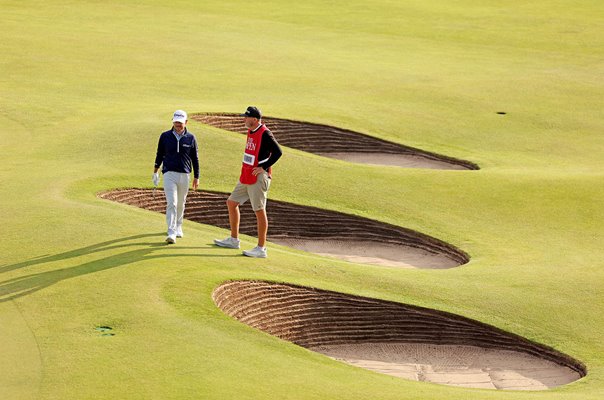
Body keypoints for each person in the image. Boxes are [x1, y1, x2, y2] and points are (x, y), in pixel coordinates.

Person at [214, 106, 282, 258]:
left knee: (259, 210)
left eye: (247, 117)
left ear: (255, 119)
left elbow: (278, 152)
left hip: (258, 177)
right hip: (246, 175)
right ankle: (233, 240)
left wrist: (263, 167)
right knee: (231, 203)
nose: (244, 118)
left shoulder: (265, 133)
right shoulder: (251, 131)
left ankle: (261, 248)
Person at [153, 110, 200, 244]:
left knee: (181, 203)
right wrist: (155, 172)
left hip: (185, 174)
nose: (178, 125)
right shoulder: (165, 136)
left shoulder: (191, 138)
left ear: (186, 122)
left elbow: (195, 158)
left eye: (180, 122)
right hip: (169, 173)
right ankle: (171, 232)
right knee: (172, 203)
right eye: (176, 122)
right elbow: (159, 154)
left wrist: (197, 176)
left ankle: (179, 225)